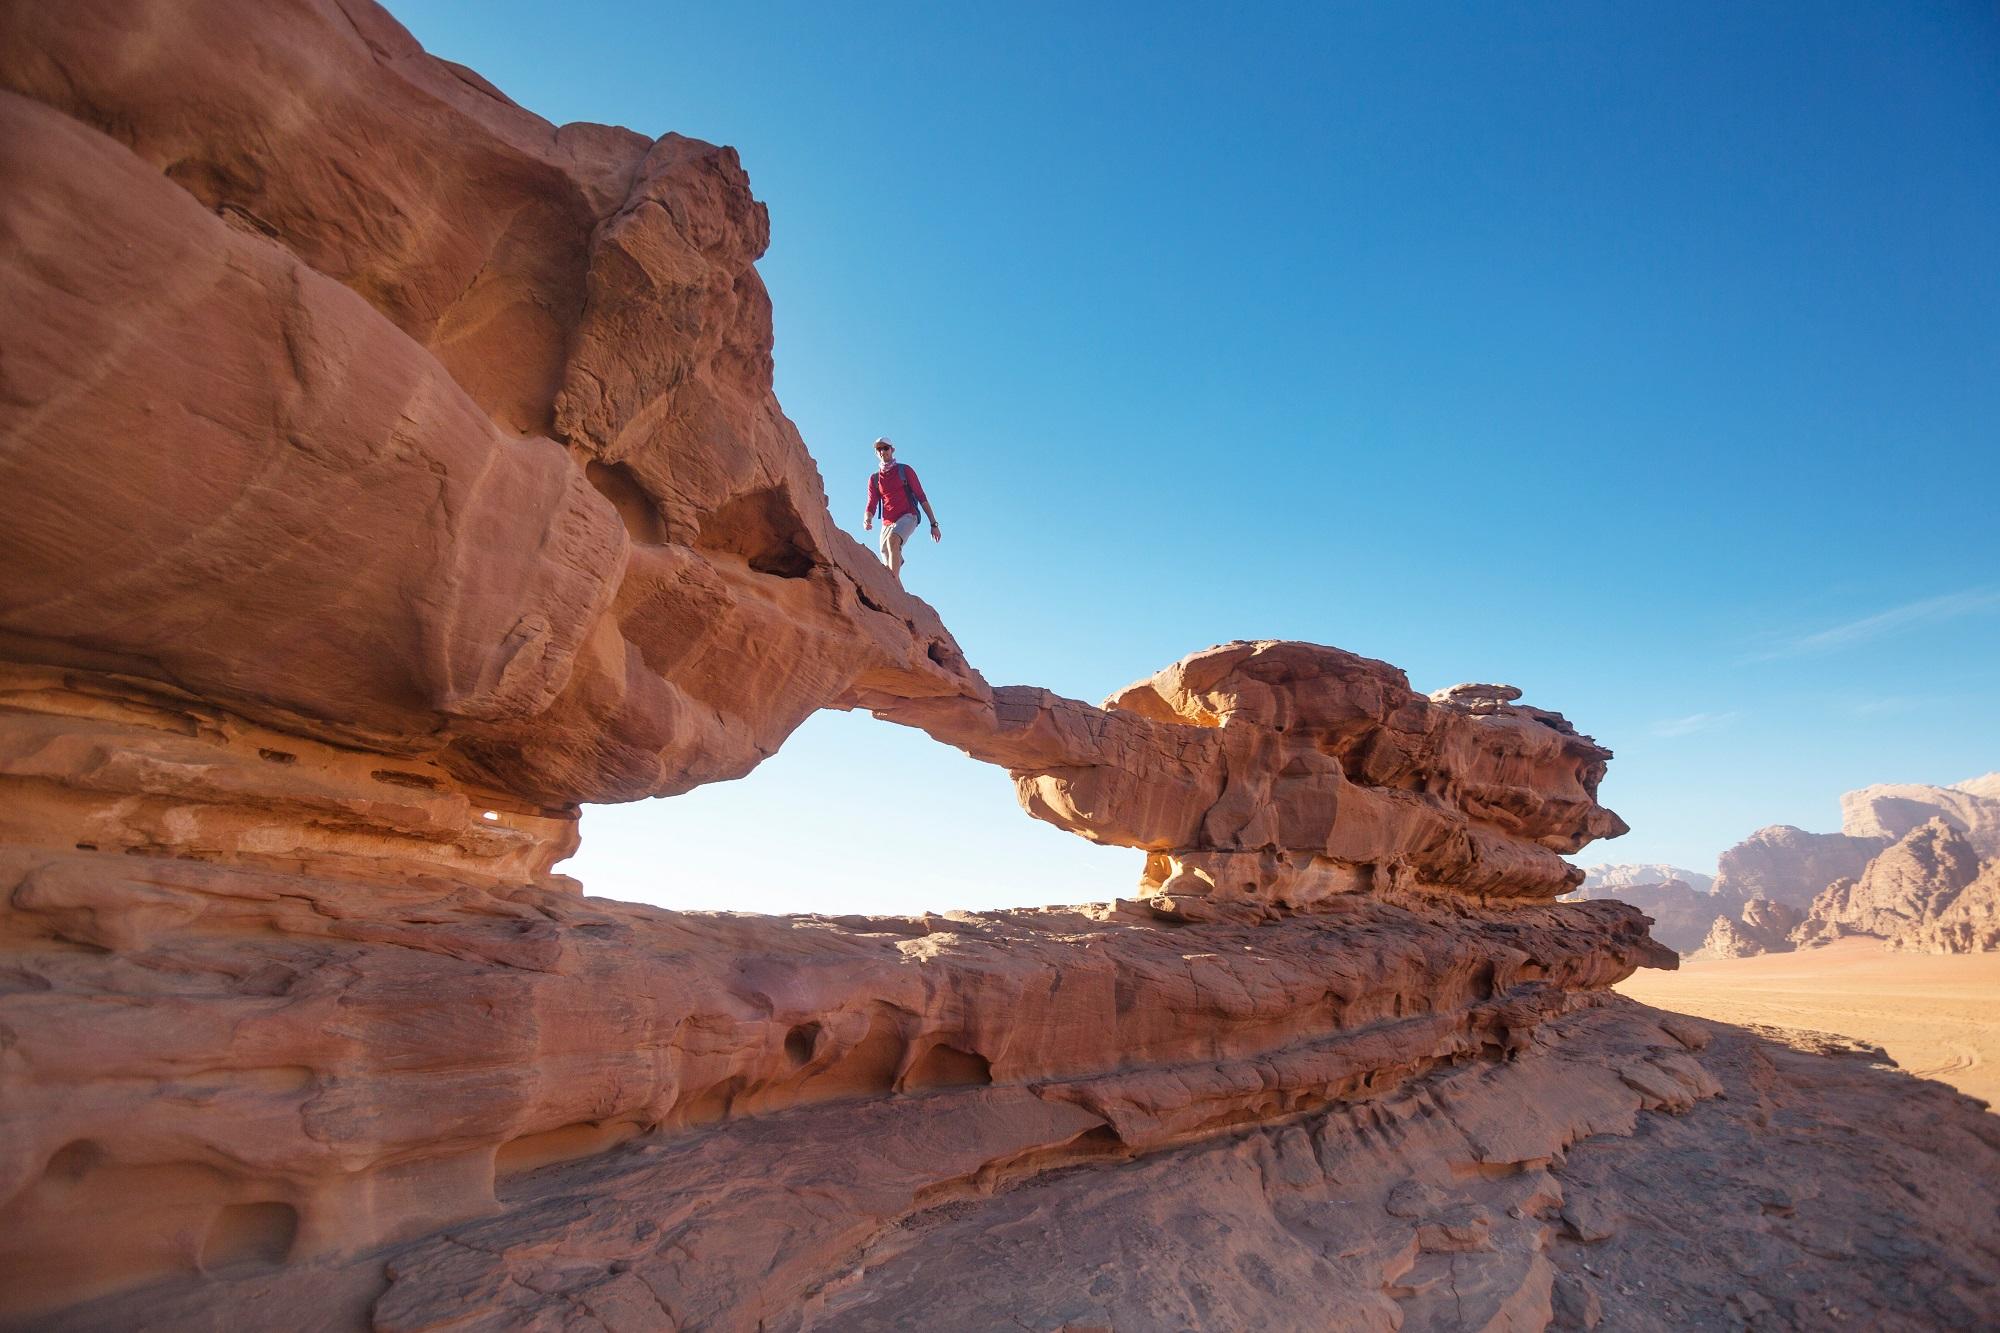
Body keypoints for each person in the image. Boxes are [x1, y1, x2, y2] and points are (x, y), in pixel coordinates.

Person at [861, 437, 940, 578]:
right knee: (886, 557)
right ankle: (896, 589)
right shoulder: (874, 479)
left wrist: (933, 524)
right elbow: (872, 503)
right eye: (878, 449)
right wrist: (867, 519)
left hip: (908, 515)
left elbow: (921, 496)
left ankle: (894, 586)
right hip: (887, 522)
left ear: (892, 450)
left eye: (885, 448)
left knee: (893, 540)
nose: (882, 451)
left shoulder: (904, 470)